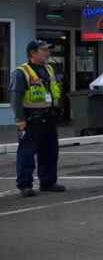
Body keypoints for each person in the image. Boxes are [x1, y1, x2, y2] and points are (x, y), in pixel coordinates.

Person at [11, 41, 63, 197]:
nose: (48, 53)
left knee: (50, 151)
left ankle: (48, 182)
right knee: (27, 152)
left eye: (48, 50)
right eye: (44, 50)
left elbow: (56, 90)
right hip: (30, 118)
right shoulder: (21, 72)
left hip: (48, 117)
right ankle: (25, 185)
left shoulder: (49, 69)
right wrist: (20, 119)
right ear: (33, 52)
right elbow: (15, 97)